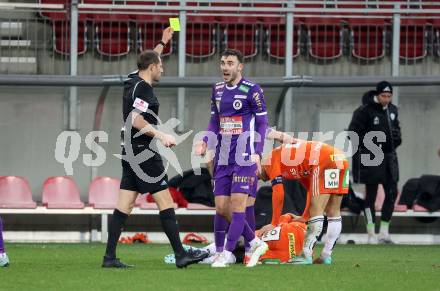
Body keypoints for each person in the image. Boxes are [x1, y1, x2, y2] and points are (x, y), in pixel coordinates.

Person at [102, 27, 208, 269]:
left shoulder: (132, 79)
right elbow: (136, 120)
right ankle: (181, 255)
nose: (163, 68)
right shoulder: (145, 89)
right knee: (165, 201)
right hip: (143, 153)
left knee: (125, 205)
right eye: (160, 65)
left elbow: (149, 58)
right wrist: (162, 135)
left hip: (129, 151)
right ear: (152, 68)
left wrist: (163, 42)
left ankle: (109, 257)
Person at [193, 49, 269, 267]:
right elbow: (214, 122)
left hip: (245, 156)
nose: (225, 67)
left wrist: (257, 152)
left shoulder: (252, 90)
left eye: (230, 63)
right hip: (223, 156)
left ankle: (227, 253)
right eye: (223, 63)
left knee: (238, 206)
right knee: (221, 208)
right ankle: (253, 242)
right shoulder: (216, 90)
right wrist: (205, 141)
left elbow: (263, 124)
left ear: (239, 67)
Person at [254, 140, 350, 265]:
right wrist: (304, 216)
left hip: (323, 160)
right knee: (333, 211)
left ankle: (306, 254)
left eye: (254, 173)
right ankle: (326, 255)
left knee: (316, 210)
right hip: (339, 158)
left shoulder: (269, 161)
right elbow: (310, 186)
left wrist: (274, 223)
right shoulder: (290, 163)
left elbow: (278, 192)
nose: (257, 178)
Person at [348, 81, 402, 244]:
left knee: (391, 193)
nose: (386, 99)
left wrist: (396, 138)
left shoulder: (393, 110)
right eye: (383, 96)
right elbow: (352, 133)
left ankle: (384, 232)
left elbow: (398, 134)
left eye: (389, 96)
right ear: (377, 95)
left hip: (389, 158)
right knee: (370, 195)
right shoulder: (364, 111)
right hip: (371, 157)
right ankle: (371, 233)